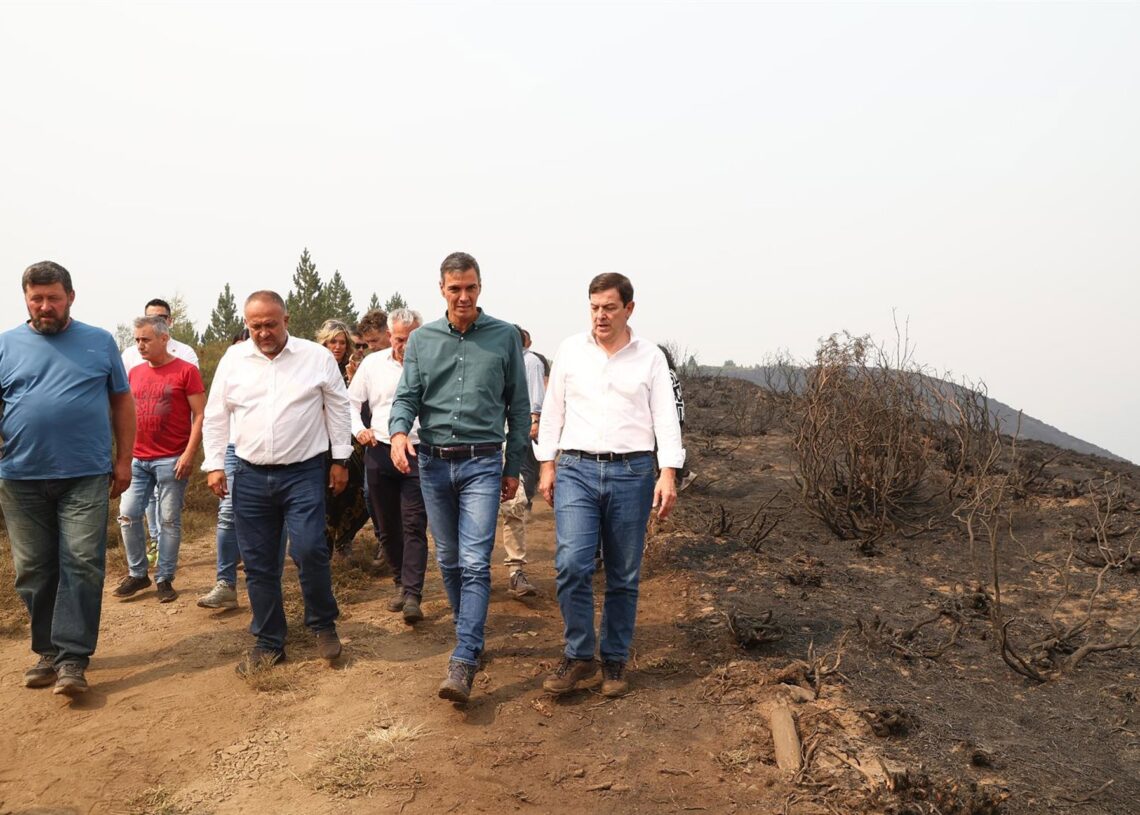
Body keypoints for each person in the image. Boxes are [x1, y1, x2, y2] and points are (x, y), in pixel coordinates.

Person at [389, 252, 529, 704]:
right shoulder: (422, 340)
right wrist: (397, 433)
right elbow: (407, 396)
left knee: (474, 560)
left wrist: (512, 467)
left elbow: (519, 408)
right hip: (432, 464)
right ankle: (467, 629)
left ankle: (464, 656)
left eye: (470, 287)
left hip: (482, 463)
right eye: (455, 289)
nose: (463, 296)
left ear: (480, 287)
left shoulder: (504, 337)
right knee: (448, 558)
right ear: (442, 290)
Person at [537, 273, 683, 698]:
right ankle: (579, 653)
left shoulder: (650, 357)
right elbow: (553, 411)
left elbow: (665, 418)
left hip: (632, 472)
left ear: (629, 309)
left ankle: (614, 658)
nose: (600, 316)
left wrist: (668, 472)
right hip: (576, 469)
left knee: (623, 572)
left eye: (609, 308)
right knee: (572, 563)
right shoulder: (570, 350)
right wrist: (547, 464)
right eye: (594, 307)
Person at [0, 261, 135, 696]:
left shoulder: (100, 341)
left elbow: (122, 402)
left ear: (70, 297)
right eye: (36, 299)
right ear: (26, 299)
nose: (45, 306)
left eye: (53, 298)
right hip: (20, 476)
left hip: (85, 474)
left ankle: (73, 658)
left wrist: (125, 460)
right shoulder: (5, 345)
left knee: (82, 561)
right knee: (33, 569)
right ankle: (48, 651)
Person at [202, 291, 350, 673]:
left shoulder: (315, 358)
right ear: (247, 324)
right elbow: (216, 414)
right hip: (249, 474)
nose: (264, 332)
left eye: (271, 324)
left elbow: (338, 407)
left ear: (286, 320)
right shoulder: (234, 360)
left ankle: (323, 624)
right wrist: (214, 464)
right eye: (256, 326)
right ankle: (269, 641)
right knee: (258, 563)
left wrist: (340, 459)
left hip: (303, 472)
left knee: (310, 549)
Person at [112, 315, 205, 603]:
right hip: (138, 459)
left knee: (168, 521)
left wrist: (189, 453)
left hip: (172, 459)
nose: (140, 345)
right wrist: (122, 454)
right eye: (137, 340)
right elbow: (124, 413)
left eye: (146, 339)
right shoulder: (135, 372)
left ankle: (165, 578)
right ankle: (138, 573)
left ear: (164, 339)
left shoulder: (186, 371)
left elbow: (200, 414)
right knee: (128, 514)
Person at [349, 308, 429, 624]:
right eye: (399, 339)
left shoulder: (432, 363)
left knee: (413, 523)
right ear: (389, 336)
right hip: (379, 449)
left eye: (411, 338)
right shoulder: (372, 365)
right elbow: (350, 403)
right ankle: (399, 580)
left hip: (419, 451)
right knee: (386, 524)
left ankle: (412, 593)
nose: (404, 345)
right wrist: (359, 430)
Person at [197, 328, 249, 611]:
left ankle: (265, 579)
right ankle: (226, 583)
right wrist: (213, 463)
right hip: (232, 449)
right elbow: (214, 415)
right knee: (228, 511)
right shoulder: (230, 366)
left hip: (270, 454)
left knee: (274, 515)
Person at [496, 325, 544, 599]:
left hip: (511, 442)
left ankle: (516, 571)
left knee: (514, 505)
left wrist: (533, 422)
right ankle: (472, 572)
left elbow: (530, 403)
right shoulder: (486, 362)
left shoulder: (529, 363)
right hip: (481, 446)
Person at [316, 319, 370, 556]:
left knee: (358, 492)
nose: (337, 347)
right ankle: (322, 548)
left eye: (341, 342)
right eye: (332, 342)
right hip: (319, 441)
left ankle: (344, 539)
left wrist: (354, 380)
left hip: (352, 443)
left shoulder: (355, 370)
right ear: (323, 344)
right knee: (325, 494)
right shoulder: (313, 369)